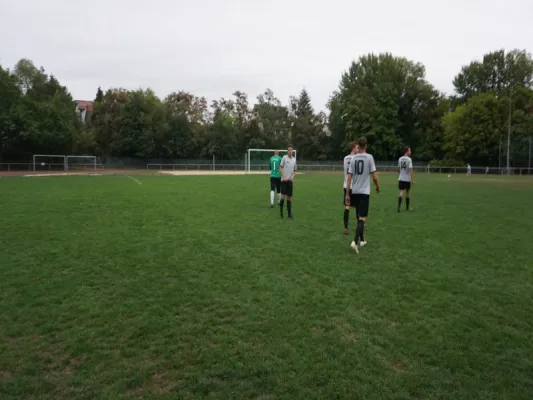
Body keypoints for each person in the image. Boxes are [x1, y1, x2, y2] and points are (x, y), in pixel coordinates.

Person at [345, 137, 380, 253]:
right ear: (366, 146)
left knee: (358, 218)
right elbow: (374, 176)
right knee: (362, 219)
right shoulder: (369, 157)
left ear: (358, 146)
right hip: (364, 192)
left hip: (354, 191)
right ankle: (355, 242)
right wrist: (377, 186)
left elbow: (349, 177)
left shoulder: (353, 158)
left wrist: (347, 193)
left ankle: (362, 239)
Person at [343, 142, 359, 234]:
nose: (358, 149)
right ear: (353, 148)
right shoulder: (356, 158)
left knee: (347, 206)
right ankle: (359, 226)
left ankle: (346, 227)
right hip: (355, 185)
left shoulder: (345, 158)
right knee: (357, 207)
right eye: (357, 148)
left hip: (346, 185)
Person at [280, 145, 297, 219]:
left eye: (291, 151)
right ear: (287, 151)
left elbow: (295, 170)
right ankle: (281, 212)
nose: (290, 152)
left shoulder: (294, 159)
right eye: (289, 150)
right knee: (282, 197)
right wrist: (283, 177)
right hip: (284, 181)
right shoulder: (284, 157)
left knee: (289, 198)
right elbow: (281, 167)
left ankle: (289, 215)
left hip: (290, 182)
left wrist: (292, 177)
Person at [397, 146, 414, 213]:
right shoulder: (409, 159)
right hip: (407, 179)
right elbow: (411, 170)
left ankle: (398, 208)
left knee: (401, 192)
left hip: (401, 178)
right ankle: (407, 208)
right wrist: (412, 179)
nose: (410, 152)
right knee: (407, 193)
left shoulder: (400, 158)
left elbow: (398, 170)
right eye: (410, 150)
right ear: (407, 151)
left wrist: (401, 172)